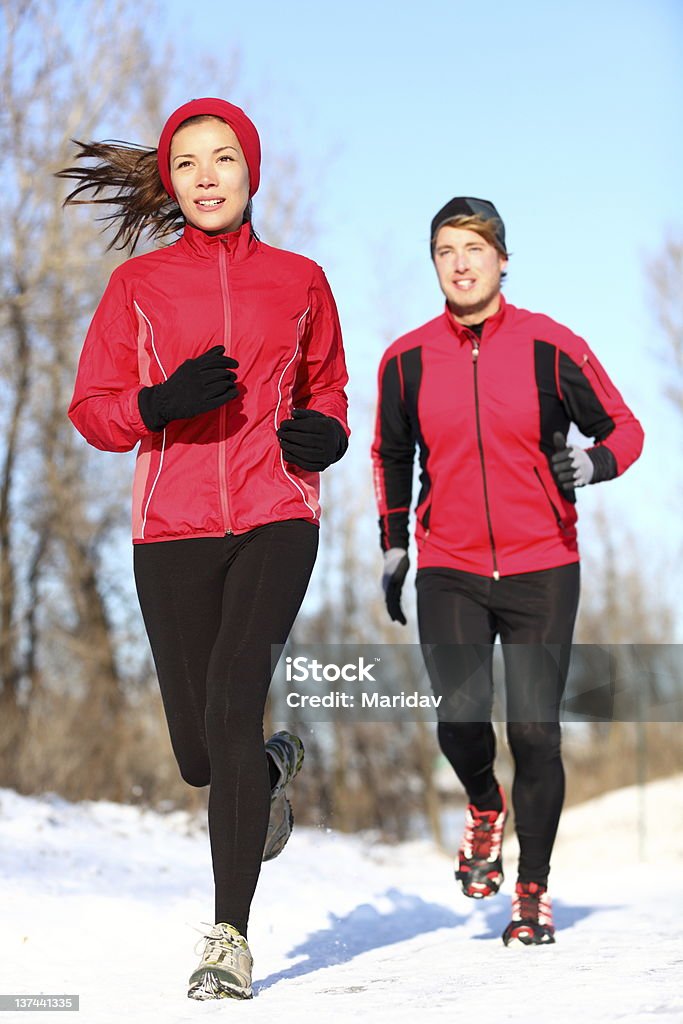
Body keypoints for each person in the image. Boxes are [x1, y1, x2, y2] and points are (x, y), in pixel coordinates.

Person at [61, 97, 349, 998]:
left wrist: (326, 437)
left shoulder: (301, 279)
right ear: (170, 181)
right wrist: (158, 403)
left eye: (223, 159)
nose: (207, 177)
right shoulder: (137, 289)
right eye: (187, 163)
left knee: (232, 699)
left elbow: (328, 388)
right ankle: (263, 771)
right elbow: (92, 410)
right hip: (172, 527)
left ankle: (229, 934)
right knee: (202, 753)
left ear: (250, 170)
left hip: (276, 515)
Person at [371, 196, 643, 946]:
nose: (458, 264)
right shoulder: (404, 360)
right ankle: (484, 806)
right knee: (460, 720)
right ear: (434, 264)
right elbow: (390, 456)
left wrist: (592, 462)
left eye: (473, 248)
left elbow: (625, 429)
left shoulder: (551, 346)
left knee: (535, 732)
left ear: (500, 259)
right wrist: (394, 546)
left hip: (541, 566)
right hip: (450, 566)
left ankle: (530, 891)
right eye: (443, 251)